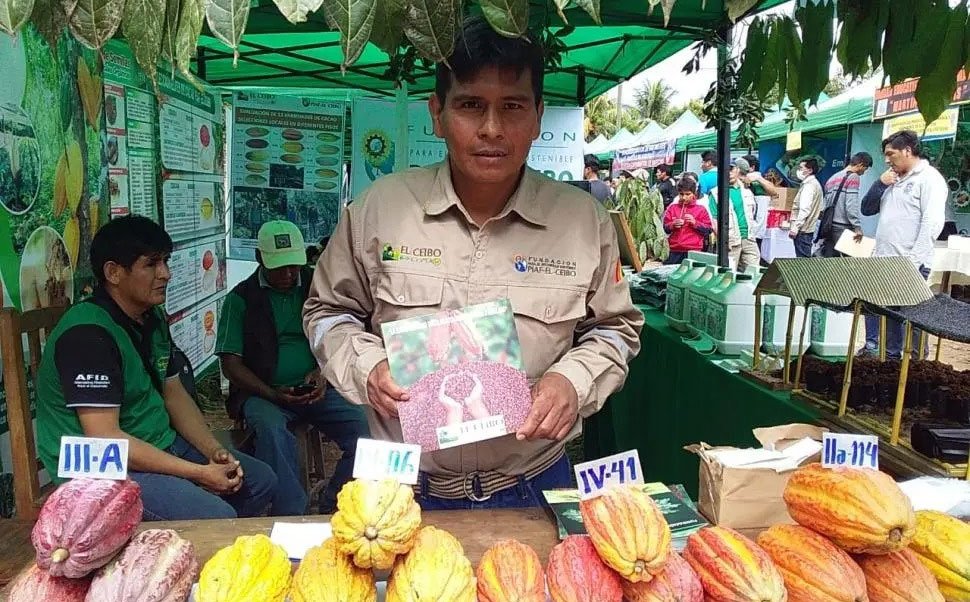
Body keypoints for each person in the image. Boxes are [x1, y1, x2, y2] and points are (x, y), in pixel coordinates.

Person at [302, 16, 643, 510]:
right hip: (401, 488)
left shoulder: (583, 222)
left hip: (534, 485)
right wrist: (367, 365)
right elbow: (324, 313)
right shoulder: (376, 210)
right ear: (437, 114)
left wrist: (575, 379)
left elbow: (616, 329)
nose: (491, 129)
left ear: (538, 115)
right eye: (469, 105)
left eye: (512, 107)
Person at [35, 216, 277, 520]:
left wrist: (213, 450)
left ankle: (186, 544)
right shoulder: (87, 336)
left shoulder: (152, 317)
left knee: (260, 481)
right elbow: (105, 439)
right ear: (113, 272)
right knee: (216, 515)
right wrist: (198, 473)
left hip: (157, 442)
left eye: (166, 261)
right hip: (101, 468)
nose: (165, 273)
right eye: (151, 264)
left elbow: (173, 394)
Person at [217, 221, 370, 515]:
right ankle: (291, 514)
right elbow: (231, 365)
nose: (289, 274)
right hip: (262, 394)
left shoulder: (318, 285)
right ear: (260, 258)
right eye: (279, 267)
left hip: (317, 388)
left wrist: (324, 371)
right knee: (273, 433)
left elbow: (344, 333)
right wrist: (273, 394)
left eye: (294, 265)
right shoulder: (241, 299)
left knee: (365, 429)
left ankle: (332, 506)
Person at [859, 130, 947, 359]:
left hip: (910, 262)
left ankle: (916, 368)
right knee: (888, 317)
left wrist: (913, 262)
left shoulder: (929, 179)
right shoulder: (892, 179)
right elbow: (867, 209)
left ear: (908, 150)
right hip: (884, 261)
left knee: (912, 319)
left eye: (891, 154)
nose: (887, 160)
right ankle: (891, 363)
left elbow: (931, 224)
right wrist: (879, 183)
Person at [707, 158, 760, 272]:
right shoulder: (715, 193)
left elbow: (752, 213)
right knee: (727, 276)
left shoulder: (747, 191)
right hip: (730, 240)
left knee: (753, 273)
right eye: (725, 170)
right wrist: (723, 240)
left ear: (737, 170)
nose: (729, 173)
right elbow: (714, 221)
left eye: (731, 169)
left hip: (749, 238)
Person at [818, 152, 873, 258]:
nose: (864, 172)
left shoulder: (833, 177)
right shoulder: (853, 177)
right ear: (860, 165)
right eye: (865, 169)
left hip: (829, 226)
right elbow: (851, 204)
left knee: (830, 259)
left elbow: (825, 203)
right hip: (843, 227)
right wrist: (857, 226)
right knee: (850, 262)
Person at [662, 177, 712, 265]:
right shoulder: (672, 208)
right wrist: (672, 225)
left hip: (694, 250)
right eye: (681, 194)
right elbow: (665, 228)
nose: (684, 197)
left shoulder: (701, 209)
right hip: (674, 250)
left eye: (687, 194)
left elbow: (708, 230)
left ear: (694, 193)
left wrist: (695, 223)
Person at [742, 155, 780, 252]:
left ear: (752, 167)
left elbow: (774, 192)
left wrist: (757, 178)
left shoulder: (756, 181)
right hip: (754, 226)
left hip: (754, 226)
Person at [788, 157, 824, 257]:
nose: (798, 170)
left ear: (810, 170)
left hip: (803, 230)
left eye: (801, 167)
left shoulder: (809, 186)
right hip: (808, 229)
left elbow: (804, 209)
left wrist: (795, 227)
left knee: (802, 262)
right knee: (804, 260)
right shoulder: (814, 184)